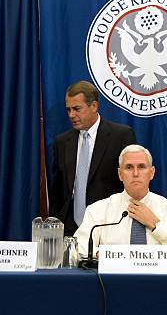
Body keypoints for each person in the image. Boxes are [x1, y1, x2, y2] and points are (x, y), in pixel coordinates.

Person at [75, 144, 167, 261]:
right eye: (129, 167)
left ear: (152, 173)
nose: (135, 173)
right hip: (112, 284)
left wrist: (156, 226)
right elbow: (78, 245)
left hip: (161, 284)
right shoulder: (99, 209)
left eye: (142, 167)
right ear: (120, 174)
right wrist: (105, 255)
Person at [50, 80, 136, 236]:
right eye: (68, 109)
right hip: (69, 228)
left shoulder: (121, 136)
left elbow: (130, 184)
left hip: (108, 224)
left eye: (76, 109)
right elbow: (57, 190)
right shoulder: (61, 142)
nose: (71, 115)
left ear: (94, 106)